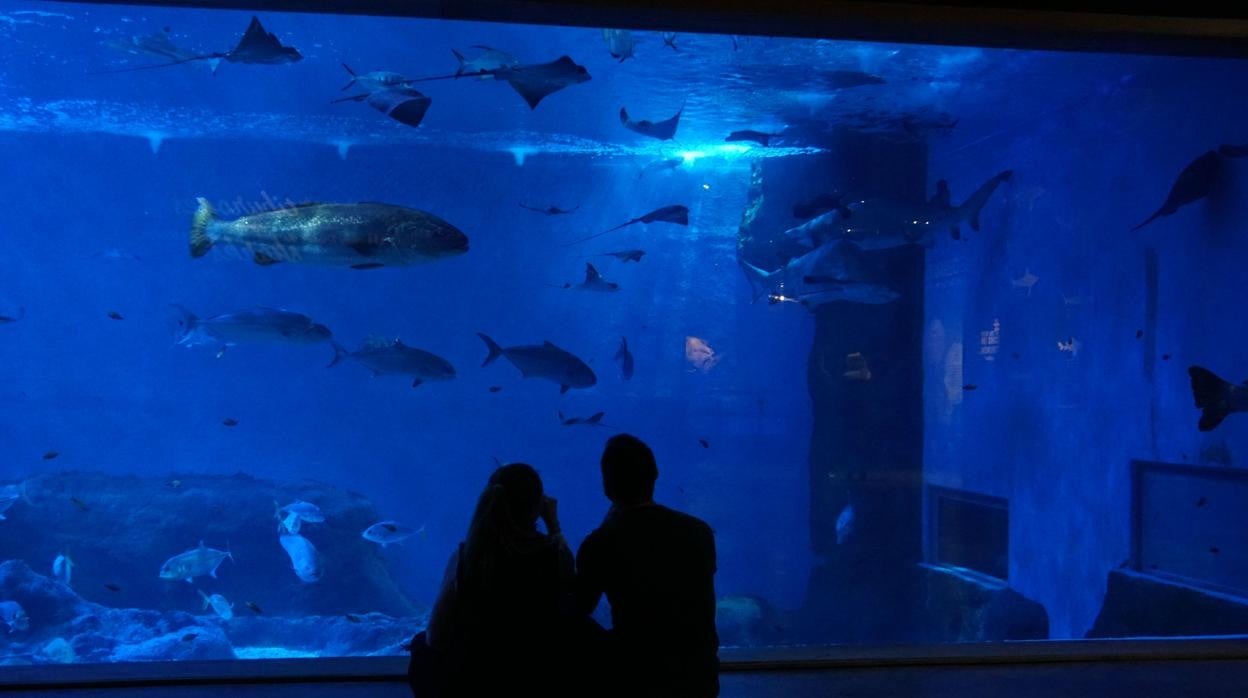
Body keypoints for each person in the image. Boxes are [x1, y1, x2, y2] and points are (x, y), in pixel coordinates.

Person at [409, 463, 579, 697]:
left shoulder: (467, 557)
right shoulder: (553, 556)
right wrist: (554, 526)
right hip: (536, 677)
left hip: (475, 678)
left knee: (420, 644)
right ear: (538, 506)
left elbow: (435, 636)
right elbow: (573, 589)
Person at [577, 434, 720, 698]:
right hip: (699, 677)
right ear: (655, 474)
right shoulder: (699, 532)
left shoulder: (601, 543)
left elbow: (577, 609)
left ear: (607, 487)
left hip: (637, 677)